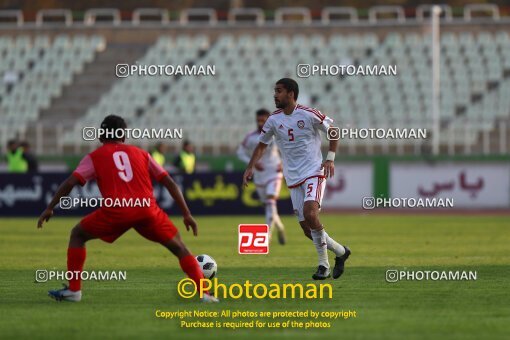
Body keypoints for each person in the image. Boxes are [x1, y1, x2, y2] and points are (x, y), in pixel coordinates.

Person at [37, 115, 218, 303]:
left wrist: (50, 208)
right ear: (123, 135)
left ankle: (74, 291)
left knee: (77, 234)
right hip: (146, 210)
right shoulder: (142, 153)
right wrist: (187, 214)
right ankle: (205, 294)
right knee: (180, 248)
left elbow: (70, 182)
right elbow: (169, 182)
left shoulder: (94, 157)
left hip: (116, 211)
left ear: (100, 136)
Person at [243, 78, 350, 280]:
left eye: (279, 91)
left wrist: (330, 159)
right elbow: (261, 145)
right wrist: (250, 167)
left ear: (291, 93)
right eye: (275, 91)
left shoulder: (308, 114)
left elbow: (334, 131)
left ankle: (323, 265)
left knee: (311, 213)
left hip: (314, 171)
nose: (275, 95)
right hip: (293, 178)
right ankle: (341, 252)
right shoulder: (273, 120)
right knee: (307, 230)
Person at [237, 109, 286, 244]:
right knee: (269, 206)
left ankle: (267, 236)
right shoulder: (251, 137)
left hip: (274, 172)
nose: (260, 123)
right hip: (259, 176)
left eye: (263, 120)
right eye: (258, 120)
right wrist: (252, 163)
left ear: (268, 120)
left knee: (271, 201)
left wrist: (283, 163)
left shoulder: (277, 134)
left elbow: (286, 148)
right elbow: (240, 152)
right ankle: (280, 228)